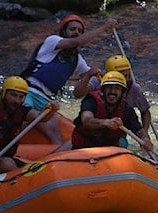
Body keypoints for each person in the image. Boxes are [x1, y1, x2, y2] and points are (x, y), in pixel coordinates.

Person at [20, 14, 118, 148]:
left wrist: (109, 80)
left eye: (79, 30)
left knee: (56, 136)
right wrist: (104, 28)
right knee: (22, 118)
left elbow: (87, 85)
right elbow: (76, 42)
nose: (76, 32)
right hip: (27, 91)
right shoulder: (52, 42)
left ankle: (52, 164)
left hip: (47, 101)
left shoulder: (77, 60)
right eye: (72, 29)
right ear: (64, 31)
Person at [77, 55, 151, 147]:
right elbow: (86, 119)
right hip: (88, 138)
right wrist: (106, 122)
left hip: (113, 139)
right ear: (102, 89)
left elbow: (139, 128)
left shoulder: (127, 108)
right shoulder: (92, 99)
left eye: (117, 88)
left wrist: (145, 138)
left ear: (123, 92)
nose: (112, 91)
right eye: (109, 88)